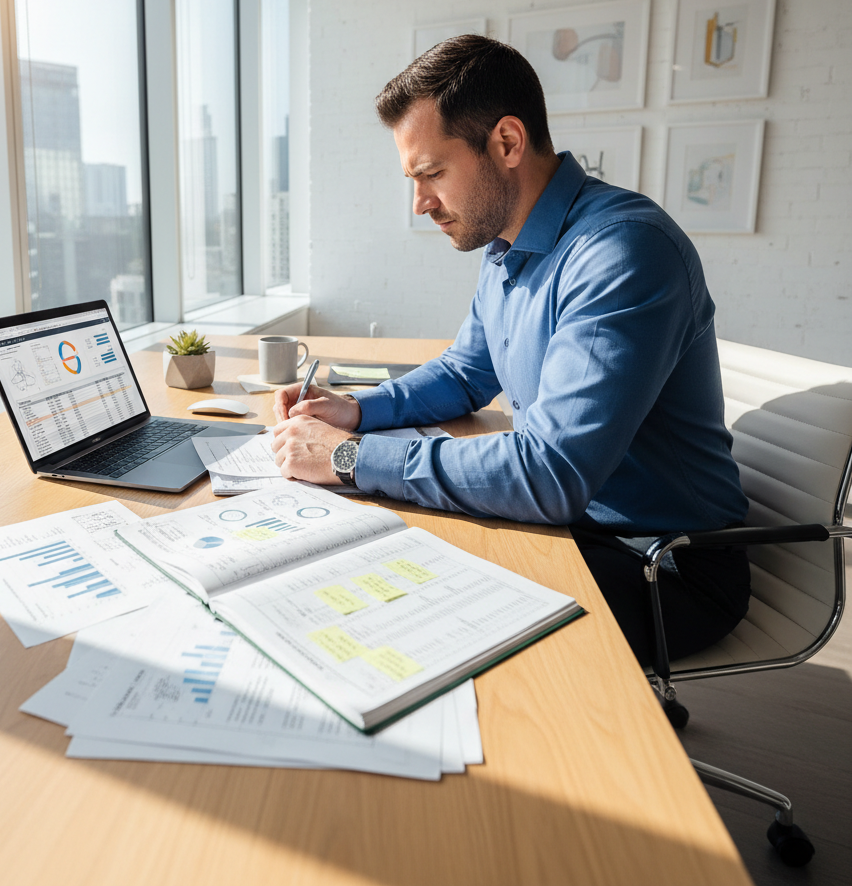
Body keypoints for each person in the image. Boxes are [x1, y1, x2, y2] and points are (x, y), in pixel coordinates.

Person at [270, 34, 750, 666]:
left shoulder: (622, 252)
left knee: (401, 605)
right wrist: (358, 411)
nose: (421, 203)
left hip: (662, 565)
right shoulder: (506, 245)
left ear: (506, 142)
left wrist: (351, 456)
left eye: (432, 174)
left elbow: (550, 473)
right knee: (378, 556)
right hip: (573, 528)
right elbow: (465, 373)